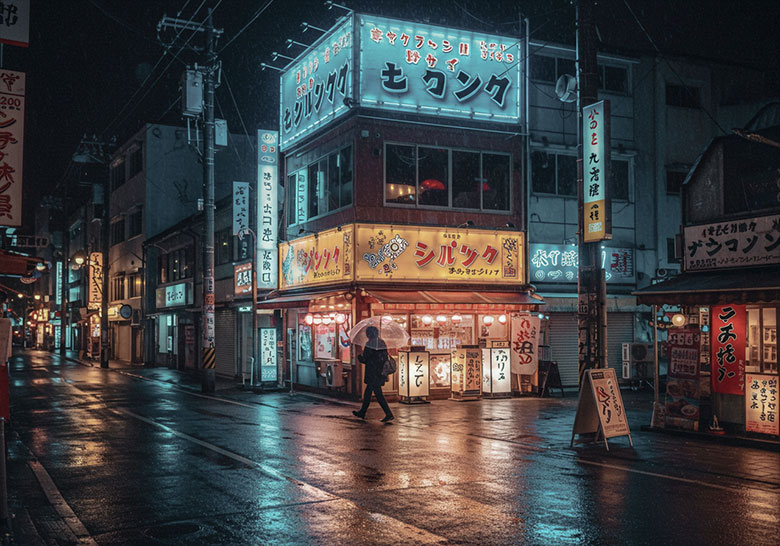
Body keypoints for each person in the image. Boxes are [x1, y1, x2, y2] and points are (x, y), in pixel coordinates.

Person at [353, 325, 394, 422]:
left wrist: (359, 356)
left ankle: (388, 413)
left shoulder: (370, 344)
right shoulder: (381, 343)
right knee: (372, 393)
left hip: (372, 373)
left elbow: (365, 359)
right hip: (380, 372)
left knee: (375, 393)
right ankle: (363, 411)